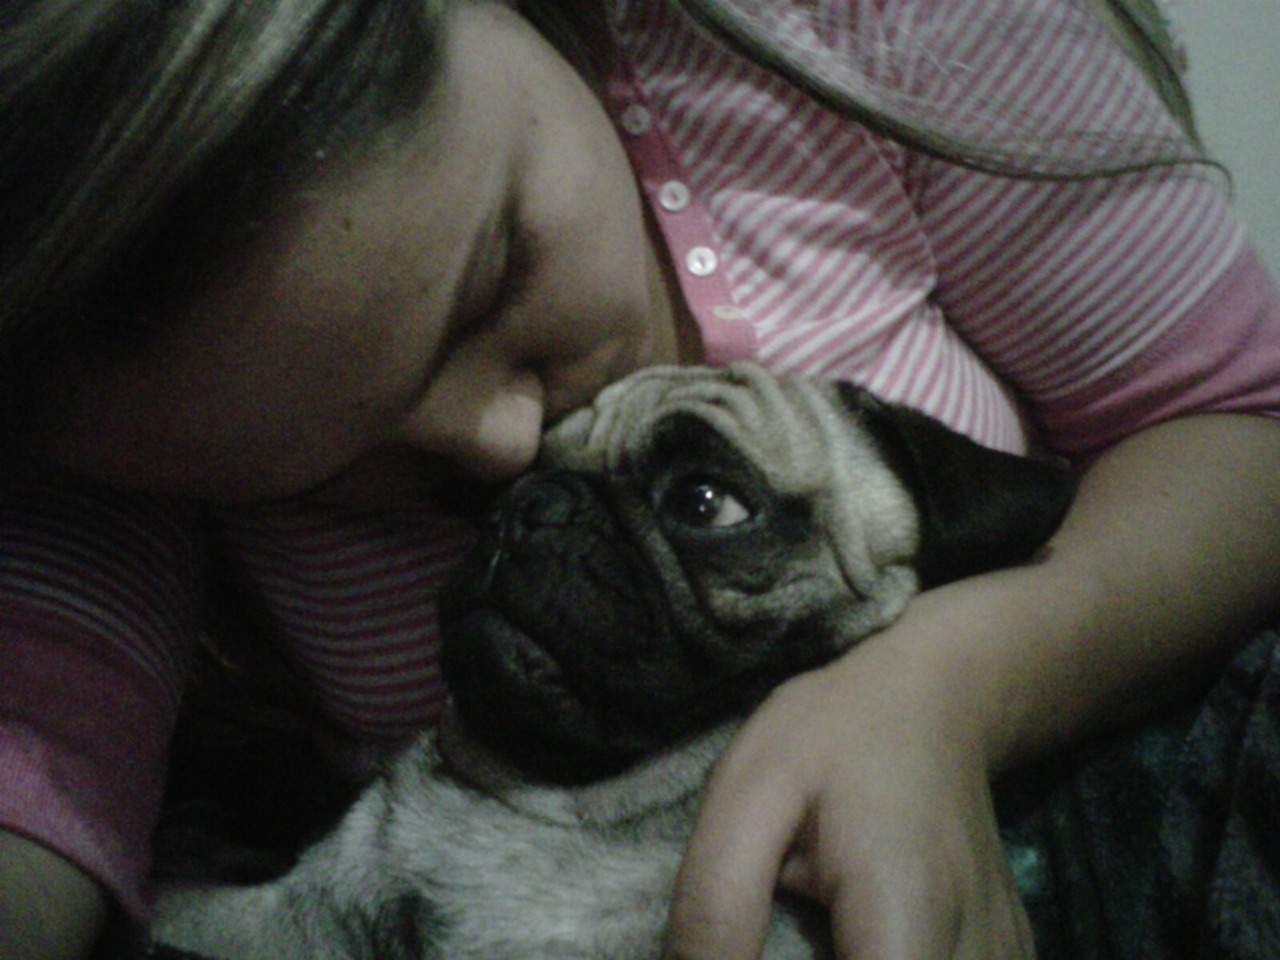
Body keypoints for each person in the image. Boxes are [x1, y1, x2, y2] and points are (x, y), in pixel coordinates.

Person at [2, 0, 1279, 958]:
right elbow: (33, 789)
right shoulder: (114, 404)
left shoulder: (867, 27)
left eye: (493, 282)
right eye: (326, 470)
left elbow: (1243, 429)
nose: (503, 446)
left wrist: (937, 692)